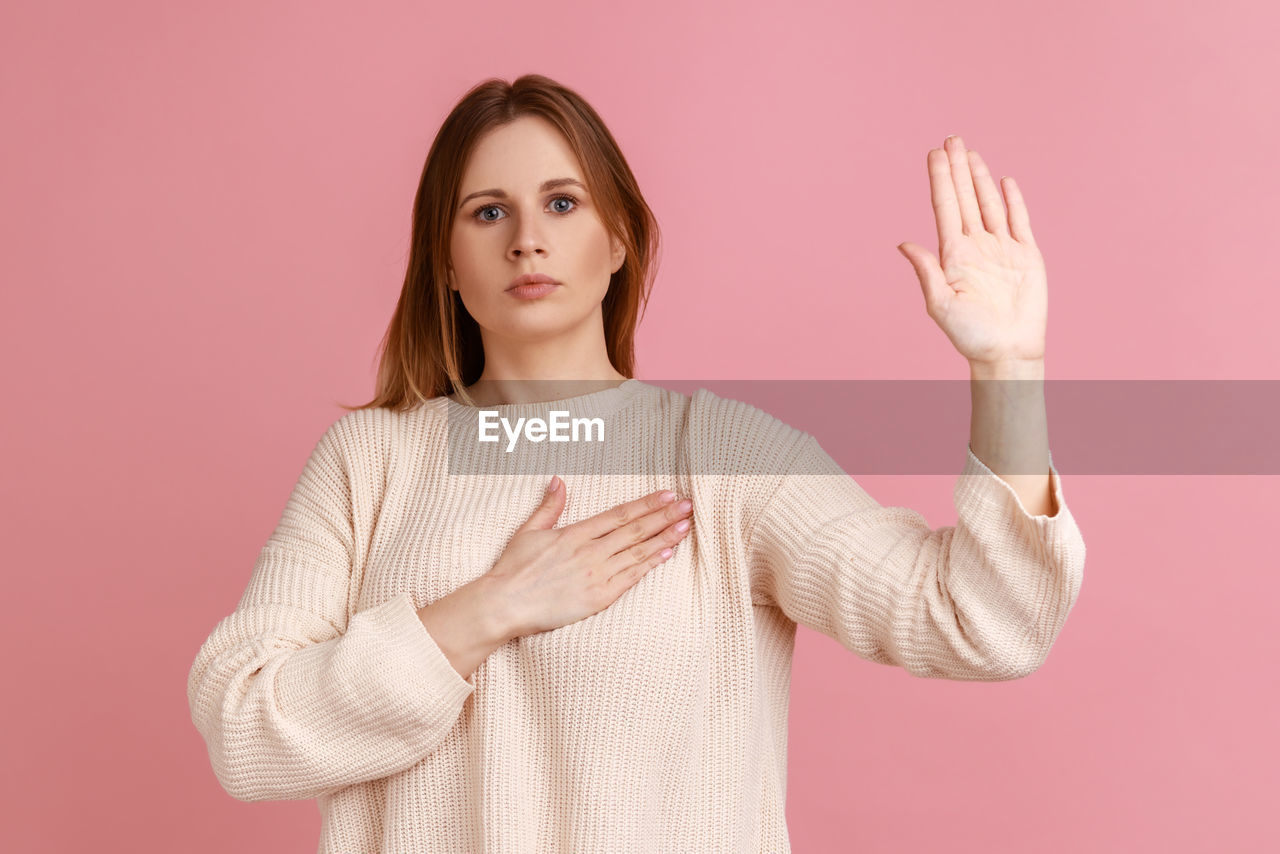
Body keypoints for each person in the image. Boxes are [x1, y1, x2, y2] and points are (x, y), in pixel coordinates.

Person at [186, 74, 1086, 853]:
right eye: (487, 211)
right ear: (446, 263)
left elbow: (983, 620)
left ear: (619, 242)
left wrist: (1009, 370)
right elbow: (247, 726)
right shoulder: (369, 461)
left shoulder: (723, 460)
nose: (526, 239)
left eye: (563, 202)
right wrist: (490, 610)